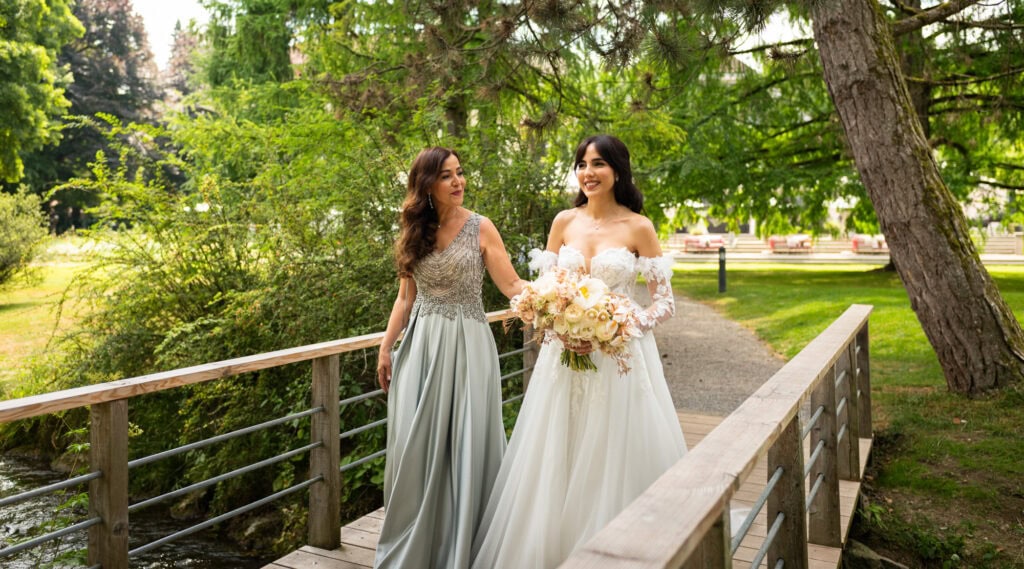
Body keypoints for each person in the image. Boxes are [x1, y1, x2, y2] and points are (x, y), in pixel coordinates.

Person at [471, 134, 687, 568]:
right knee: (557, 450)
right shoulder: (563, 222)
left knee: (611, 453)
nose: (588, 172)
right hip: (563, 358)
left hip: (618, 361)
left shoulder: (638, 227)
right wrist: (556, 322)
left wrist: (619, 324)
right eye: (582, 163)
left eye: (599, 163)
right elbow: (542, 293)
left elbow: (665, 303)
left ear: (618, 170)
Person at [374, 147, 526, 569]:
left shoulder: (481, 227)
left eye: (460, 173)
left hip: (467, 345)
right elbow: (405, 298)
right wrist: (387, 348)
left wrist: (560, 300)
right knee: (414, 446)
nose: (458, 182)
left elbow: (512, 285)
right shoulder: (413, 231)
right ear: (427, 185)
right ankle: (416, 542)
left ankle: (465, 546)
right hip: (419, 348)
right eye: (446, 176)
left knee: (467, 441)